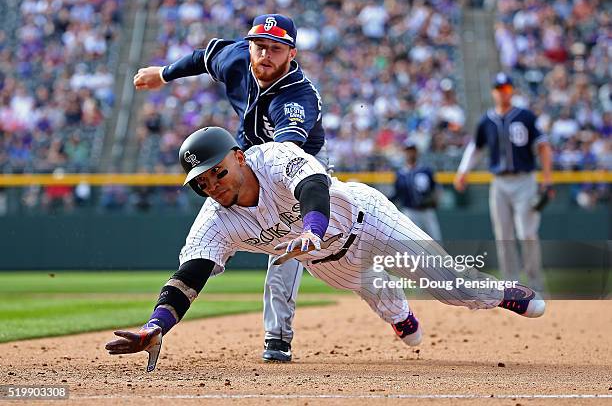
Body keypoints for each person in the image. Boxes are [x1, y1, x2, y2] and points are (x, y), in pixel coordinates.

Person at [104, 126, 545, 372]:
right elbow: (192, 273)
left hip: (367, 218)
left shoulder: (274, 157)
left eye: (216, 172)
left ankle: (507, 291)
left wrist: (313, 228)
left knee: (451, 286)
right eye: (201, 183)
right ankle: (402, 316)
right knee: (380, 294)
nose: (212, 186)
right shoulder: (216, 220)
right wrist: (155, 324)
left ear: (238, 156)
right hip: (327, 263)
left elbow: (314, 186)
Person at [133, 14, 328, 362]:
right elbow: (202, 58)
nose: (265, 54)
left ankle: (278, 335)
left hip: (298, 163)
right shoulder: (238, 58)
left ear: (291, 54)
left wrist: (262, 180)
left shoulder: (298, 98)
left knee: (299, 243)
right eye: (259, 45)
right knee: (216, 225)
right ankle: (169, 317)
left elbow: (284, 155)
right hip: (248, 154)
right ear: (249, 45)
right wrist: (163, 74)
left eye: (276, 48)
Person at [453, 73, 554, 292]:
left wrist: (547, 178)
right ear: (493, 92)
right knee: (503, 236)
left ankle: (536, 285)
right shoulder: (486, 120)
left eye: (506, 88)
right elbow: (476, 147)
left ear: (512, 91)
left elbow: (543, 145)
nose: (502, 92)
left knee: (526, 233)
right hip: (499, 183)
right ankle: (511, 286)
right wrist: (463, 171)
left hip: (525, 181)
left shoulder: (525, 116)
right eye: (499, 88)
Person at [392, 140, 442, 240]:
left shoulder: (426, 170)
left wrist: (436, 200)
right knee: (411, 243)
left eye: (412, 150)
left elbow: (436, 188)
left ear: (416, 152)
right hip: (409, 212)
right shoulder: (400, 174)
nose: (410, 153)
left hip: (426, 211)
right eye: (408, 151)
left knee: (436, 241)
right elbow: (397, 194)